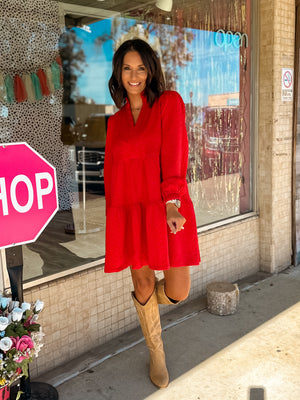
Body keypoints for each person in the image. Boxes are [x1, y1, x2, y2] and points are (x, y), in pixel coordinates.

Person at [104, 38, 200, 389]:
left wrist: (172, 201)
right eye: (127, 68)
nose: (134, 75)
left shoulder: (168, 103)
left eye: (141, 67)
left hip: (165, 207)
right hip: (130, 212)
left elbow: (176, 152)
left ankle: (147, 309)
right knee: (143, 282)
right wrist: (115, 223)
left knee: (179, 290)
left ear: (151, 70)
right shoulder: (114, 124)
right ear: (119, 73)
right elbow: (112, 176)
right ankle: (156, 353)